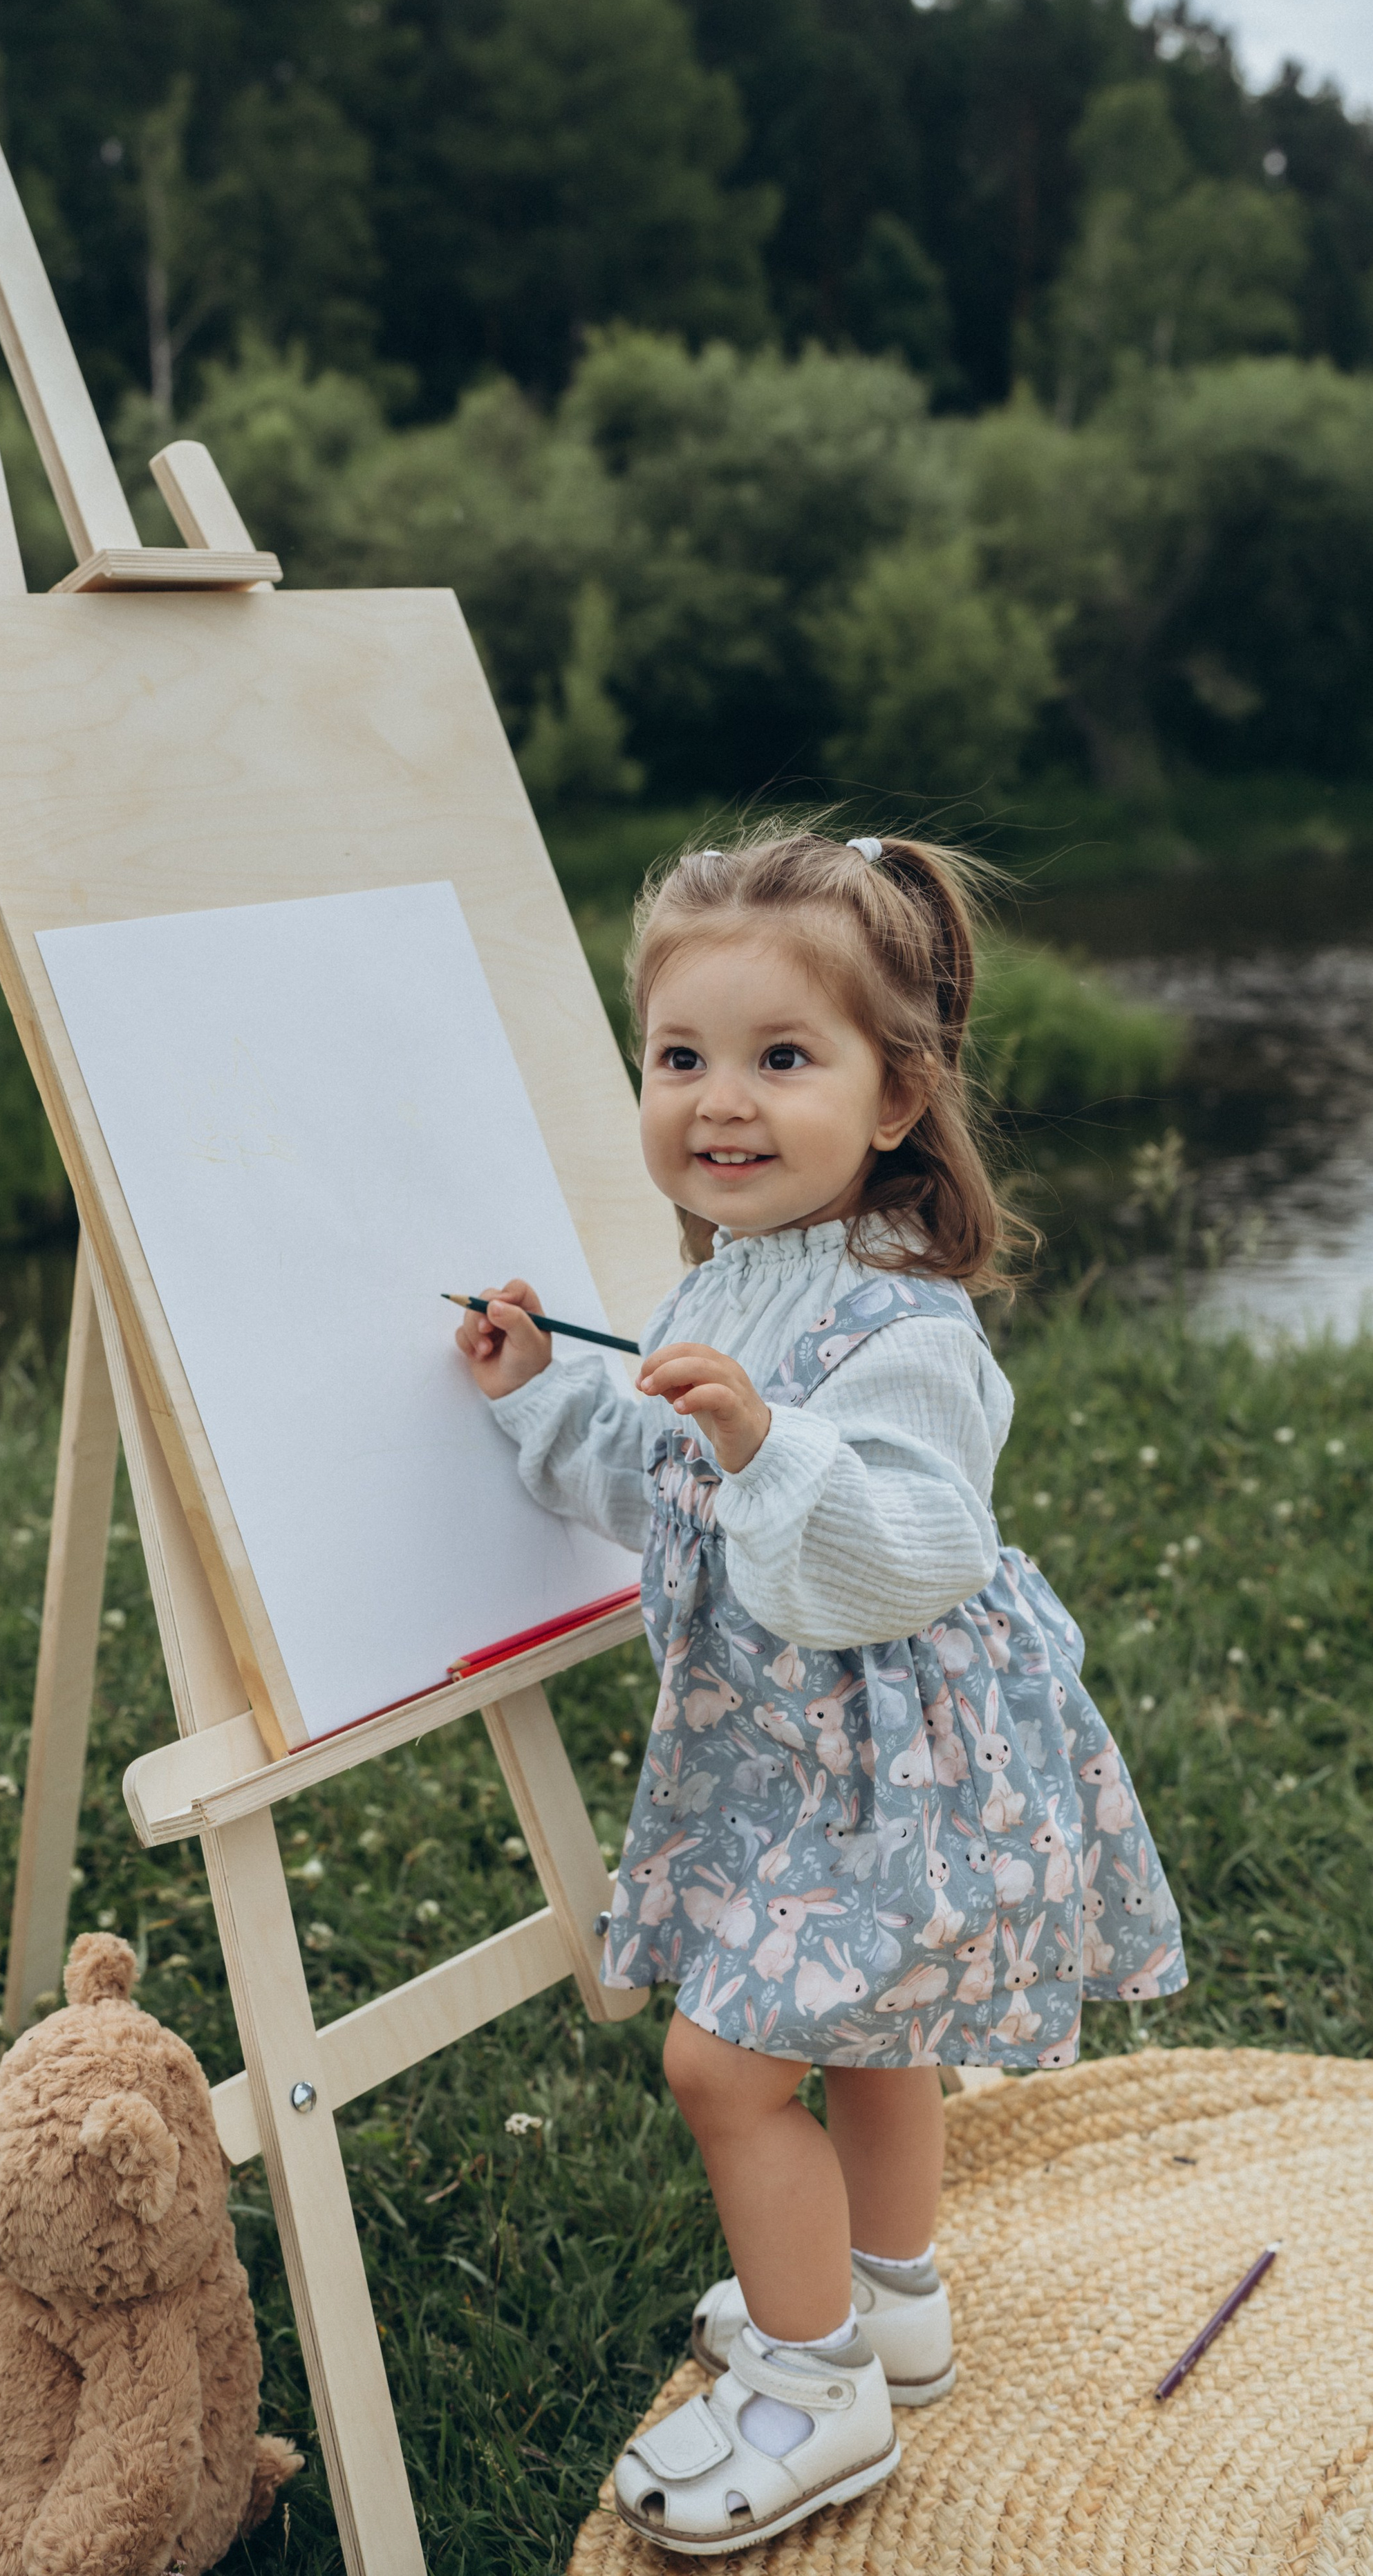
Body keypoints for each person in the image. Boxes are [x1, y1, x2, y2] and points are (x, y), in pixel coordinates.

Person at [456, 827, 1185, 2558]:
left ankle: (810, 2389)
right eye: (680, 1058)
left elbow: (899, 1557)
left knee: (723, 2070)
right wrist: (541, 1398)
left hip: (898, 1780)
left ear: (890, 1100)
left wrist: (766, 1440)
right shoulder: (726, 1282)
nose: (720, 1100)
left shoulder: (902, 1322)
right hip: (800, 1773)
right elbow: (663, 1494)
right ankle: (889, 2301)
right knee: (866, 2047)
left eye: (782, 1057)